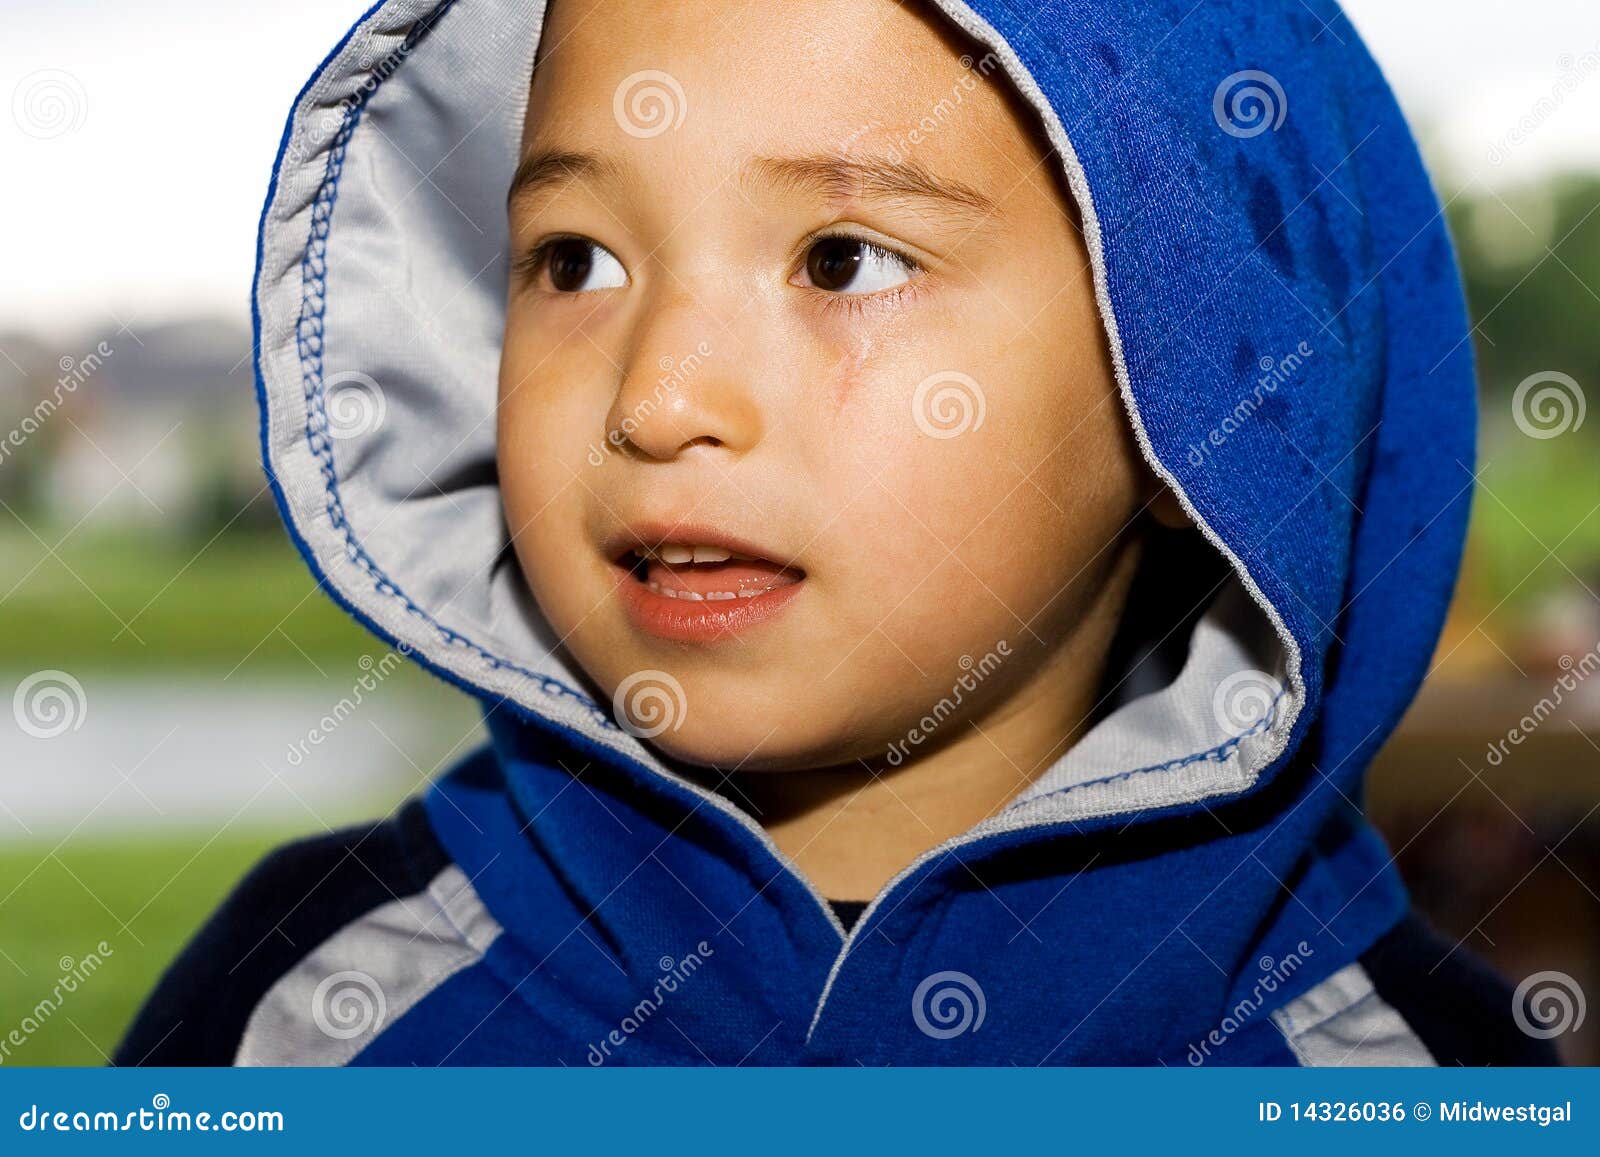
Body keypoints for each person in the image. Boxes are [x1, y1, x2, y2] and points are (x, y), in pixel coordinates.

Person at [115, 0, 1555, 1066]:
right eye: (576, 259)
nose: (659, 394)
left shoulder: (1415, 1067)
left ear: (1196, 406)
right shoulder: (298, 1000)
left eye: (844, 260)